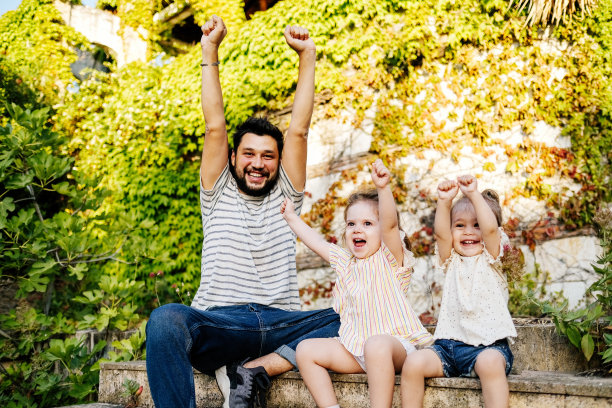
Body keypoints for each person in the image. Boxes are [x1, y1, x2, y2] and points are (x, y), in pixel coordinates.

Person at [145, 15, 340, 408]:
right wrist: (209, 50)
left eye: (268, 156)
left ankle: (257, 369)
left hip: (281, 322)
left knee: (353, 311)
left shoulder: (287, 193)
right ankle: (234, 365)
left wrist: (308, 56)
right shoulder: (216, 192)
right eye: (248, 153)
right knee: (164, 320)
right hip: (223, 323)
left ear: (279, 163)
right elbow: (215, 125)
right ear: (233, 158)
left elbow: (299, 130)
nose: (258, 163)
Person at [280, 159, 433, 408]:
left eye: (367, 224)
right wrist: (290, 218)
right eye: (351, 224)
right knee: (305, 350)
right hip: (356, 349)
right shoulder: (345, 261)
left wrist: (383, 188)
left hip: (393, 348)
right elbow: (315, 241)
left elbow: (391, 225)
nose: (356, 230)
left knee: (376, 344)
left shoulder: (390, 258)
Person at [401, 175, 517, 408]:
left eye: (477, 225)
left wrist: (474, 194)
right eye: (460, 225)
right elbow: (442, 234)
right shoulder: (451, 259)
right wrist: (444, 202)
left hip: (489, 346)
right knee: (413, 363)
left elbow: (491, 230)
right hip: (448, 348)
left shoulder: (492, 257)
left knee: (491, 365)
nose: (468, 232)